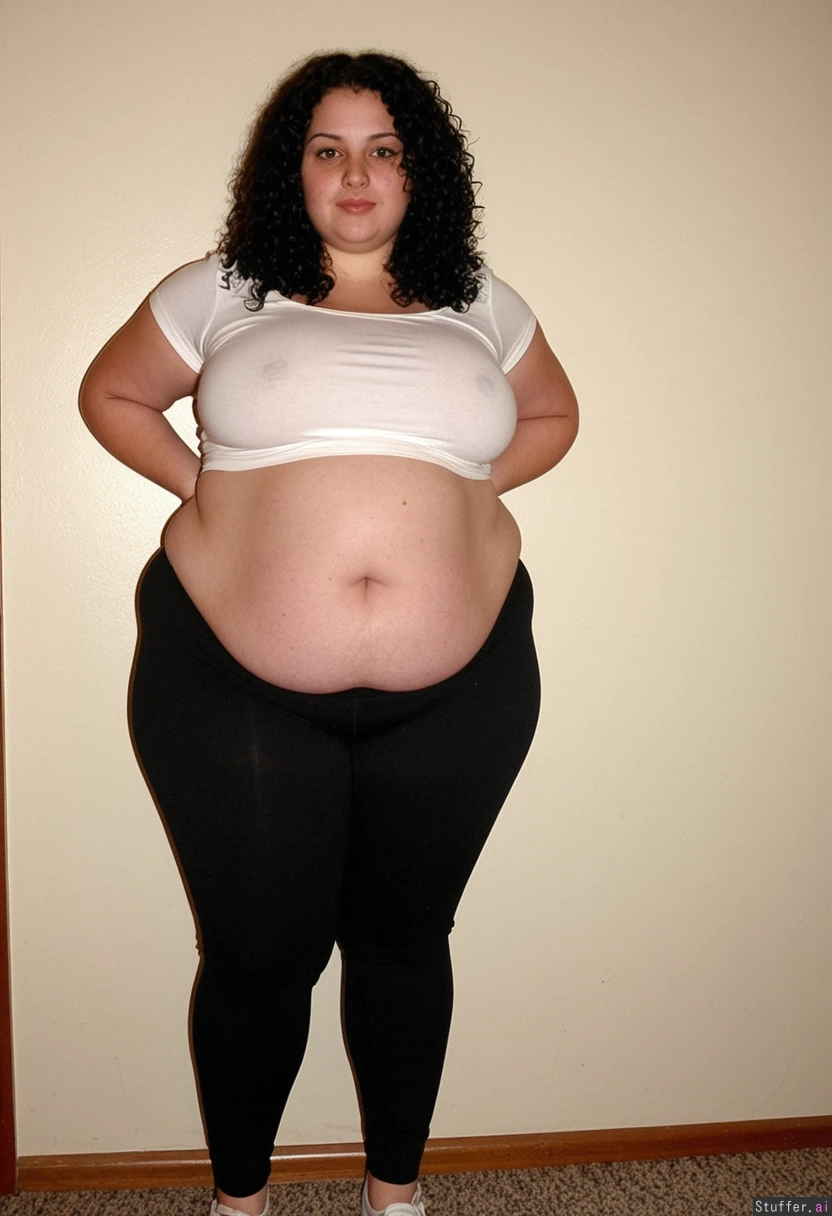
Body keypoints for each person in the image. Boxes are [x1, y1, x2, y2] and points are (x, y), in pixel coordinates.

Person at [80, 50, 578, 1216]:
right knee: (258, 953)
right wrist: (210, 490)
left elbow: (554, 412)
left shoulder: (479, 300)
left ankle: (395, 1195)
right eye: (328, 149)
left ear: (419, 171)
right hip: (232, 681)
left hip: (461, 686)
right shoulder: (222, 287)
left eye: (383, 149)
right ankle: (240, 1201)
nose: (356, 173)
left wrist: (464, 494)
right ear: (291, 169)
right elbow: (112, 394)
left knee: (406, 939)